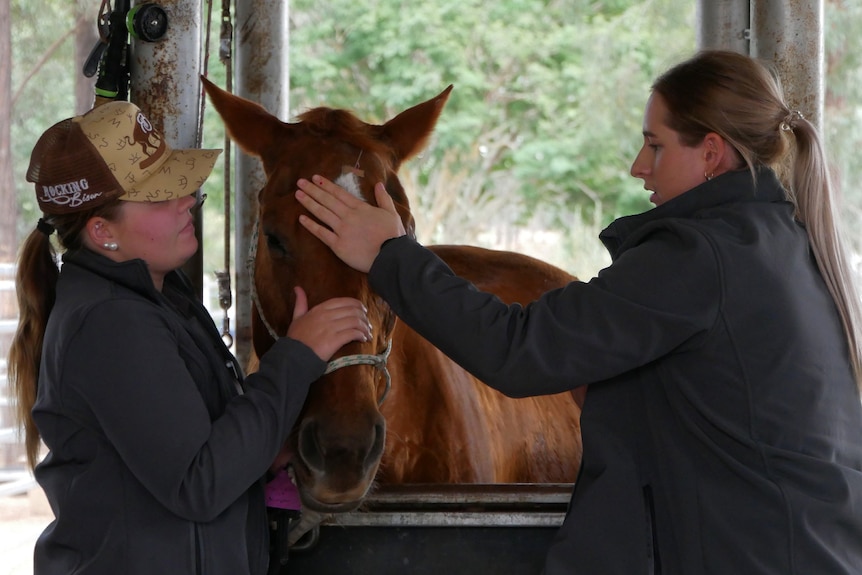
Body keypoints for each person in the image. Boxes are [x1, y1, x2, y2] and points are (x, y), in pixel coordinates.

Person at [293, 50, 862, 574]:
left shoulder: (698, 257)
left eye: (655, 144)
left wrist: (391, 256)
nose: (640, 166)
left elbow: (517, 350)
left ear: (711, 153)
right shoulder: (784, 244)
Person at [8, 101, 371, 575]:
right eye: (159, 197)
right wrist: (296, 357)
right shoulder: (111, 322)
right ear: (102, 232)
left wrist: (266, 451)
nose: (187, 200)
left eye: (178, 185)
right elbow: (200, 484)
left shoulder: (159, 298)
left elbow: (185, 450)